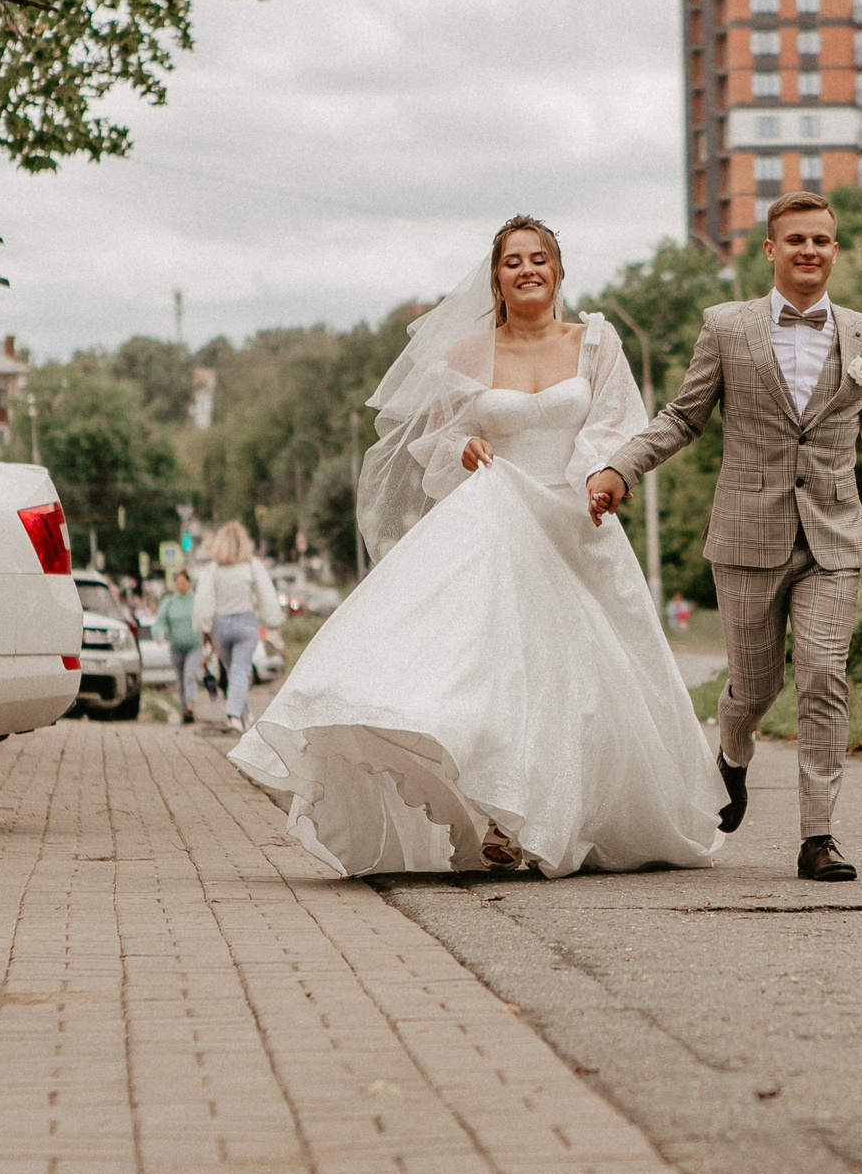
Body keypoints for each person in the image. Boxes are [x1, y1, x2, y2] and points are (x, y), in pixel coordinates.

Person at [227, 216, 722, 879]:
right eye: (512, 260)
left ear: (559, 270)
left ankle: (568, 815)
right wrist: (463, 446)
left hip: (574, 520)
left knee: (581, 687)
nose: (526, 269)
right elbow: (435, 440)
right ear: (496, 276)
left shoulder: (598, 342)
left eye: (538, 258)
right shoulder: (467, 355)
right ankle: (502, 820)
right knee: (495, 671)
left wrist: (602, 475)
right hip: (496, 519)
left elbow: (617, 426)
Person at [588, 191, 862, 883]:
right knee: (756, 683)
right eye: (796, 240)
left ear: (835, 250)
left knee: (824, 674)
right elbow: (683, 416)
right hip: (745, 533)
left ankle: (818, 836)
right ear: (771, 250)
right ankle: (732, 751)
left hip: (832, 537)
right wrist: (622, 467)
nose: (809, 251)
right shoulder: (727, 327)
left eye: (821, 241)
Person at [194, 522, 283, 731]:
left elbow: (204, 601)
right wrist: (272, 621)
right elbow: (266, 595)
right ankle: (234, 715)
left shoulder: (213, 569)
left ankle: (245, 716)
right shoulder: (252, 565)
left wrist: (204, 629)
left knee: (233, 671)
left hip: (220, 627)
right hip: (246, 625)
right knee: (240, 671)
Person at [158, 567, 204, 723]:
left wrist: (208, 636)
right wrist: (159, 635)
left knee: (189, 675)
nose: (180, 586)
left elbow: (205, 619)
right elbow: (160, 620)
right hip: (176, 647)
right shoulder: (170, 602)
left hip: (194, 646)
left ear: (189, 583)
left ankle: (190, 706)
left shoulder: (197, 600)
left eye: (183, 583)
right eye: (178, 583)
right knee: (180, 679)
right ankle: (185, 709)